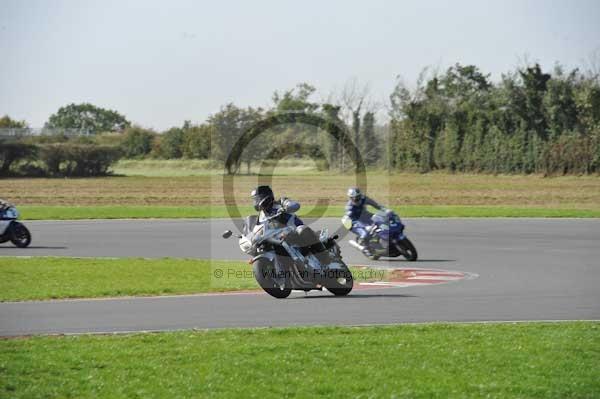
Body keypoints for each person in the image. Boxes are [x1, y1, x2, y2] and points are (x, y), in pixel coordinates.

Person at [250, 185, 329, 264]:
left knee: (302, 229)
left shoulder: (281, 202)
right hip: (278, 237)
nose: (256, 202)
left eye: (257, 199)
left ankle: (324, 256)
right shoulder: (261, 216)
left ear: (265, 197)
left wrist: (286, 207)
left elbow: (295, 205)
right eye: (254, 200)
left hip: (294, 231)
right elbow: (257, 229)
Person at [345, 187, 386, 255]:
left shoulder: (364, 199)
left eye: (357, 196)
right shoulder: (349, 207)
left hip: (365, 215)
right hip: (353, 222)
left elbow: (375, 205)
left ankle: (382, 239)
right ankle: (366, 249)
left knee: (381, 220)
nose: (356, 199)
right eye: (354, 197)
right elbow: (353, 220)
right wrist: (365, 226)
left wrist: (384, 210)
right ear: (350, 198)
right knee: (365, 233)